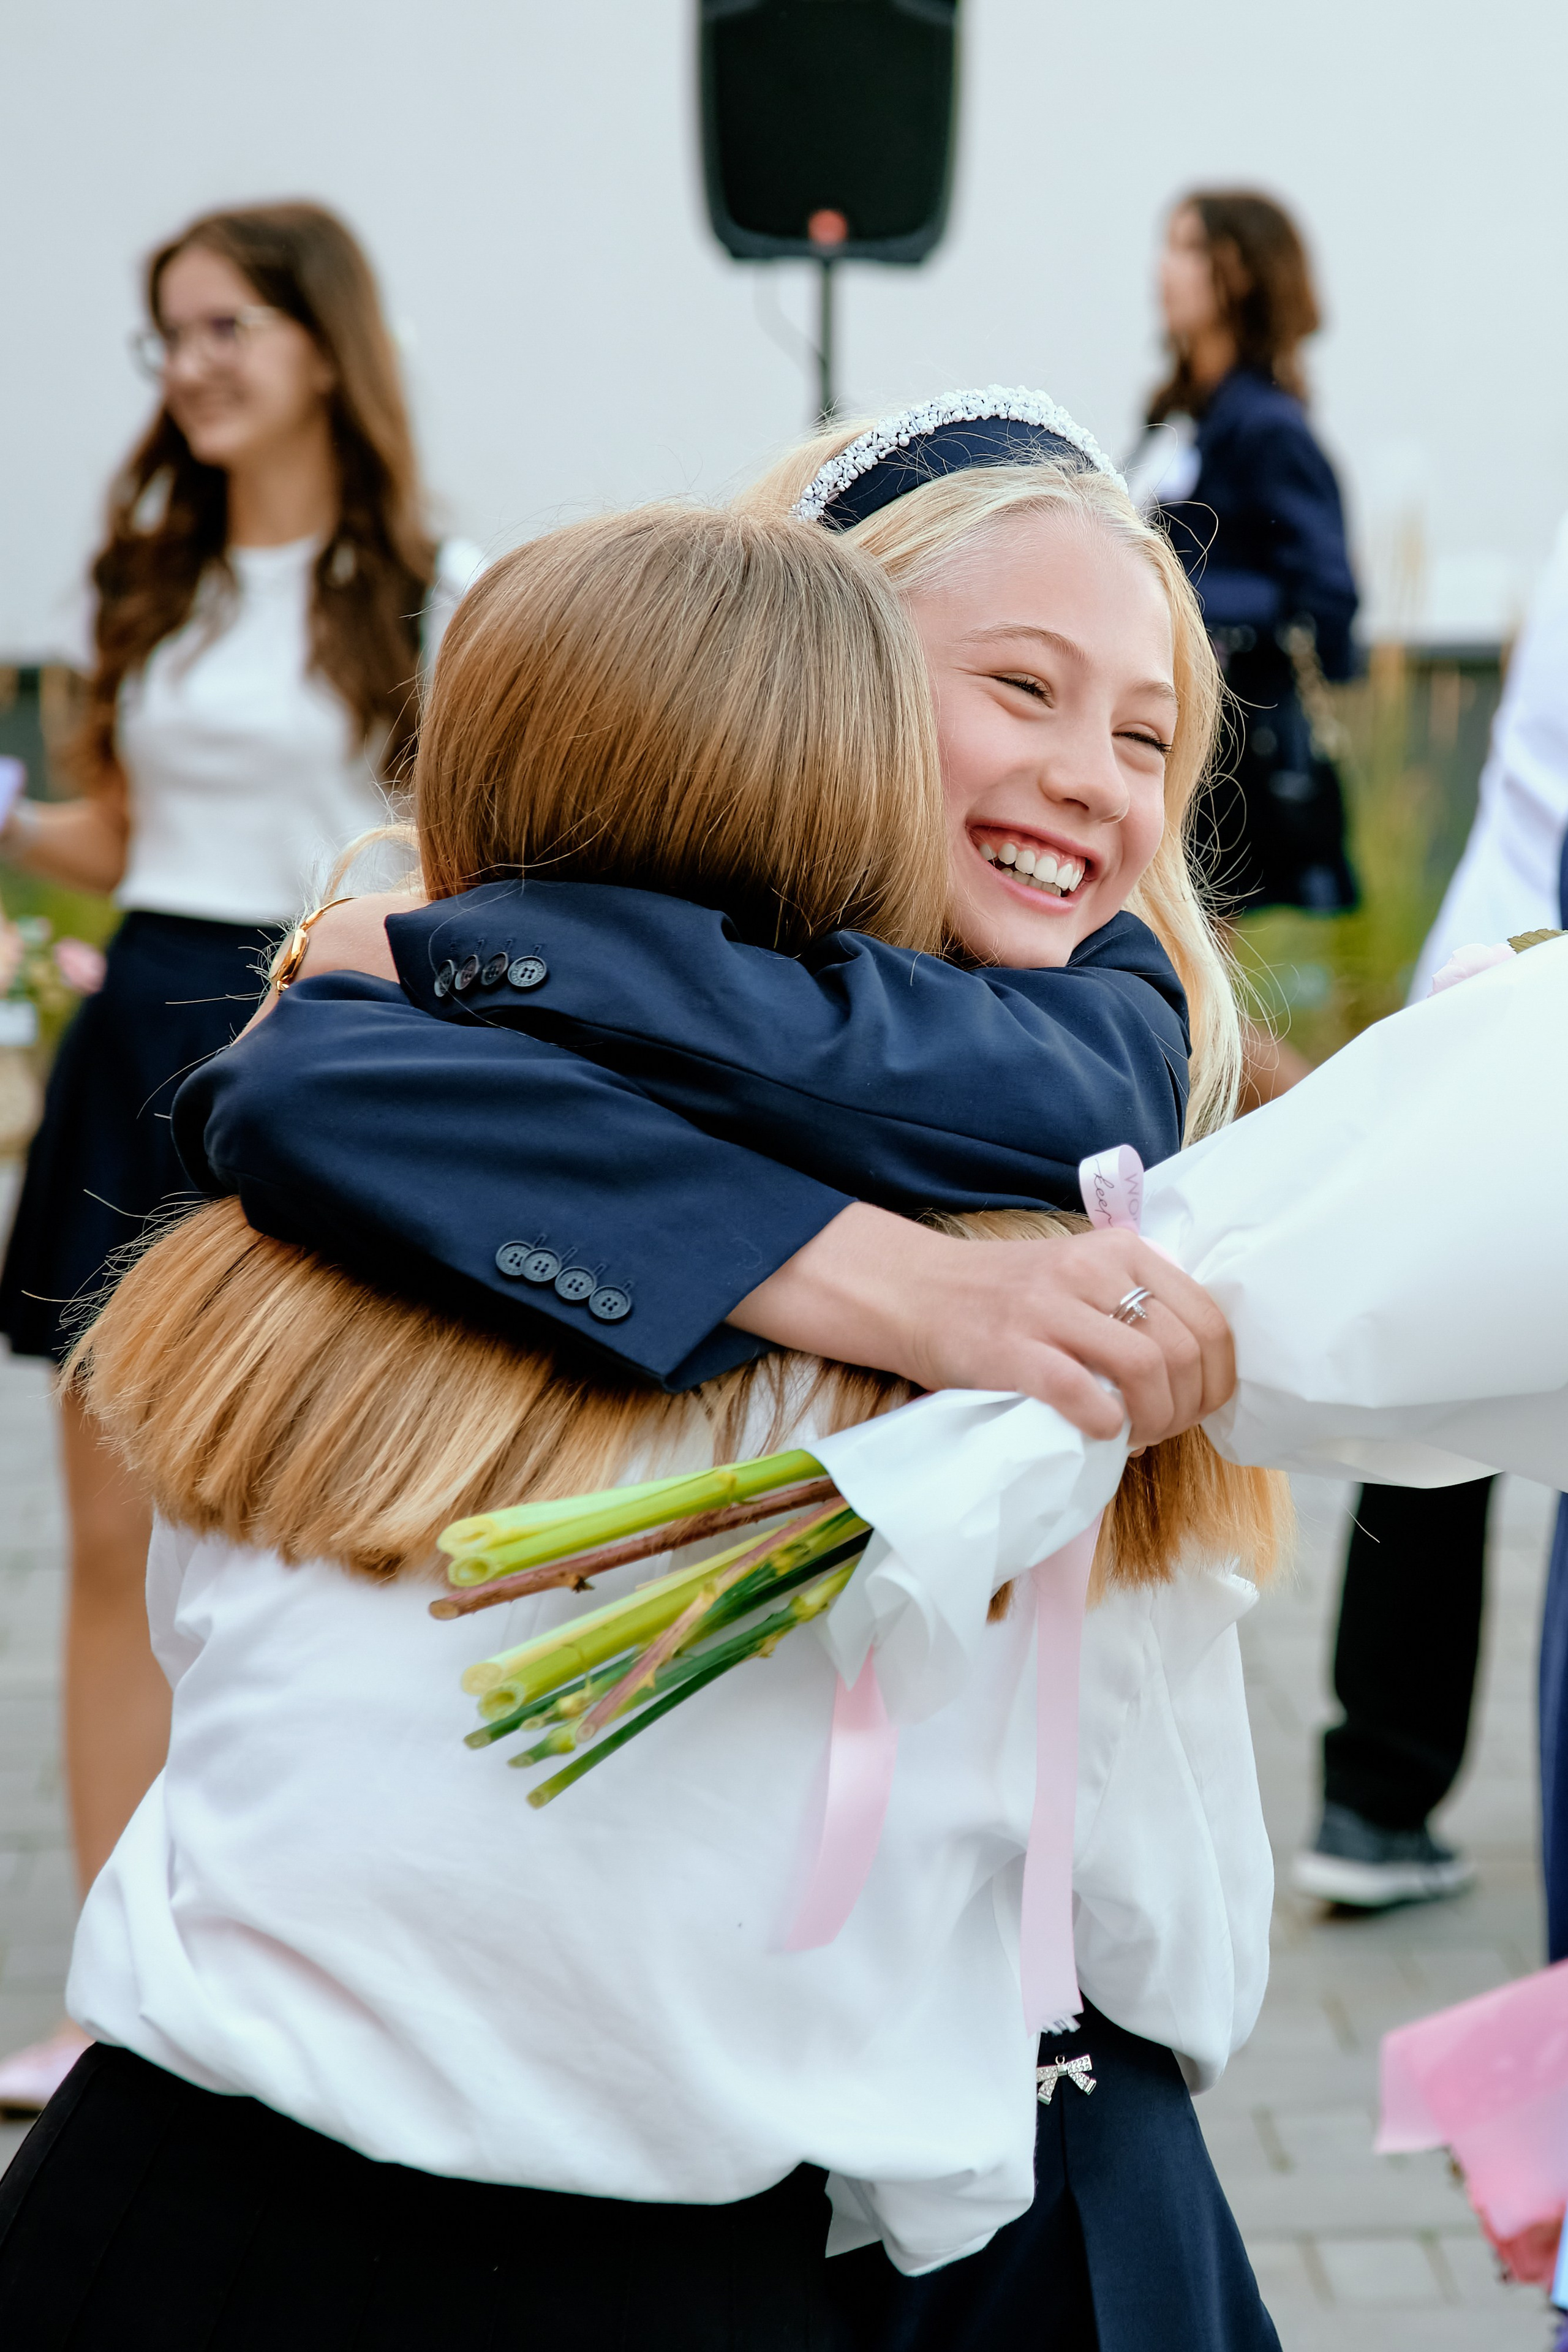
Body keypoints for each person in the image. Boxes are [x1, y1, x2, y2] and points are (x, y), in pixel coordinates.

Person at [0, 434, 1280, 2348]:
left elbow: (220, 1666)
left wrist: (424, 974)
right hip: (697, 2246)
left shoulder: (299, 1209)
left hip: (170, 2200)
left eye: (1148, 743)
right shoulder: (1055, 1330)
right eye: (1016, 686)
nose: (1093, 781)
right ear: (826, 717)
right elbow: (1150, 1906)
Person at [0, 200, 478, 2111]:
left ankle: (341, 1970)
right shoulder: (152, 587)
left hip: (329, 1043)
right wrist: (27, 828)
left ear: (316, 348)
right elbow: (120, 837)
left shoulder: (440, 593)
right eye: (166, 335)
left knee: (332, 1524)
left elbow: (462, 852)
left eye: (221, 329)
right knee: (113, 1537)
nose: (187, 365)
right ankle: (120, 1993)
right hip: (143, 1046)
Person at [1297, 511, 1568, 1912]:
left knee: (1435, 1401)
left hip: (1495, 976)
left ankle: (1375, 1783)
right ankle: (1374, 1790)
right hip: (1527, 996)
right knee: (1443, 1402)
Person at [1126, 191, 1359, 1104]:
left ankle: (1333, 1130)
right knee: (1183, 985)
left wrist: (1184, 600)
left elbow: (1330, 599)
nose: (1163, 269)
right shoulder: (1185, 417)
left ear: (1241, 275)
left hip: (1228, 749)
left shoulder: (1267, 428)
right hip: (1170, 731)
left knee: (1192, 987)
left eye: (1188, 247)